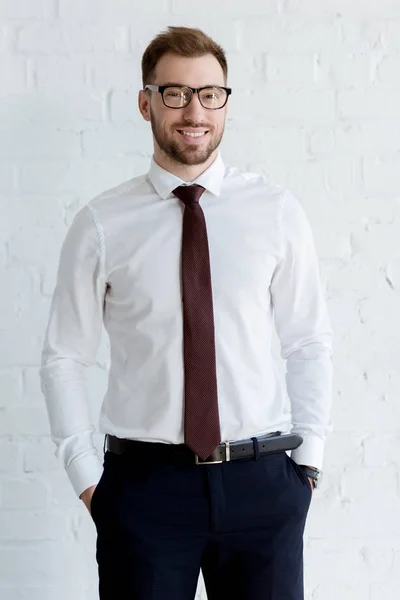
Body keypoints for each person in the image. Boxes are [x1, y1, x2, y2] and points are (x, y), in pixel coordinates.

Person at [40, 25, 333, 600]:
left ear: (226, 103)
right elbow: (63, 356)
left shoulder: (274, 211)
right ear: (145, 102)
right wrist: (87, 479)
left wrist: (310, 462)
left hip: (264, 485)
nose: (194, 110)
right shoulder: (102, 224)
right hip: (144, 490)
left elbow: (309, 342)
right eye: (174, 93)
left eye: (210, 94)